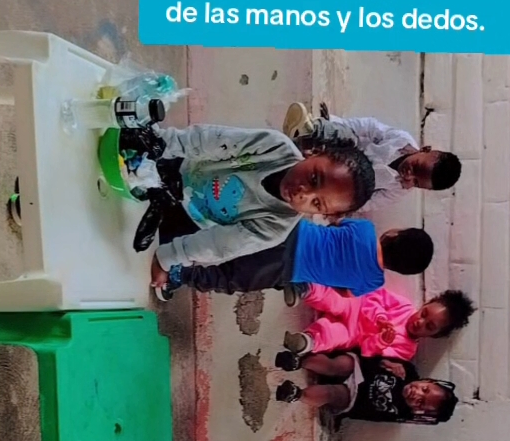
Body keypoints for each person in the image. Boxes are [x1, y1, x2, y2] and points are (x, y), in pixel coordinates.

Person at [116, 119, 375, 262]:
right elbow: (211, 140)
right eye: (314, 178)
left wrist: (171, 256)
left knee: (120, 239)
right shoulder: (274, 146)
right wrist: (162, 142)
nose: (303, 193)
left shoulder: (275, 228)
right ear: (314, 153)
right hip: (179, 165)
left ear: (323, 216)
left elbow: (221, 245)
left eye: (316, 203)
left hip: (188, 221)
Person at [150, 218, 433, 300]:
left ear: (394, 234)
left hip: (291, 232)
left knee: (231, 233)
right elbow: (345, 293)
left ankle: (180, 234)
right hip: (285, 269)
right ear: (399, 270)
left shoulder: (366, 230)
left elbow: (335, 225)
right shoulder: (373, 282)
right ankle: (179, 276)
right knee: (231, 278)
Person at [282, 102, 462, 210]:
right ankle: (309, 129)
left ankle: (303, 149)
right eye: (416, 167)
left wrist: (347, 207)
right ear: (424, 149)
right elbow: (369, 127)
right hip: (345, 151)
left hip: (343, 180)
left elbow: (371, 202)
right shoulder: (401, 140)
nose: (409, 175)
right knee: (348, 136)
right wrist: (338, 124)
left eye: (416, 182)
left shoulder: (398, 190)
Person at [274, 281, 475, 366]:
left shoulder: (406, 351)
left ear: (434, 335)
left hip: (354, 335)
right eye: (423, 314)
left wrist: (380, 341)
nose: (420, 322)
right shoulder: (403, 306)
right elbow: (373, 297)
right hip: (355, 307)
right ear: (425, 304)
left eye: (429, 326)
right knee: (335, 300)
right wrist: (380, 317)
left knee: (333, 335)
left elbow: (367, 352)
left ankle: (306, 341)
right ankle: (304, 290)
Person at [275, 353, 459, 425]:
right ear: (426, 380)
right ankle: (299, 362)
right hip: (359, 369)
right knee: (337, 364)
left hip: (355, 397)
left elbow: (370, 415)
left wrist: (345, 414)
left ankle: (297, 394)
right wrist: (388, 363)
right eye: (424, 389)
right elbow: (377, 357)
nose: (416, 394)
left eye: (420, 402)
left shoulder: (401, 412)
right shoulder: (408, 371)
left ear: (419, 411)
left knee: (332, 393)